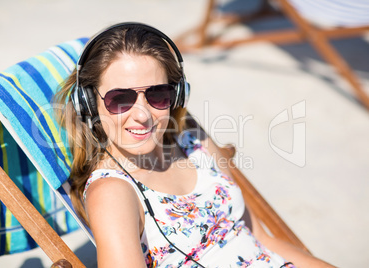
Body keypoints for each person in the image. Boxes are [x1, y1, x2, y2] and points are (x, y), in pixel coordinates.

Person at [55, 22, 333, 268]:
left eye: (158, 95)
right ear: (89, 104)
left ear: (176, 96)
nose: (142, 114)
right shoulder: (113, 192)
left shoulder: (192, 139)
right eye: (120, 99)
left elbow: (258, 237)